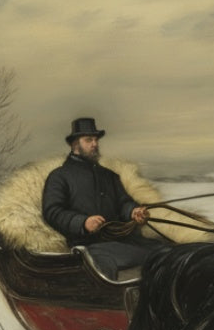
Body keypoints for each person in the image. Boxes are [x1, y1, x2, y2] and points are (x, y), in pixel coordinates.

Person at [41, 117, 166, 277]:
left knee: (167, 252)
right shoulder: (59, 176)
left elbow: (123, 202)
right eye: (88, 140)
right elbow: (52, 211)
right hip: (90, 246)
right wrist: (83, 223)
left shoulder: (110, 176)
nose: (95, 144)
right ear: (74, 145)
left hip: (125, 241)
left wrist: (133, 212)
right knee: (105, 263)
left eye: (96, 140)